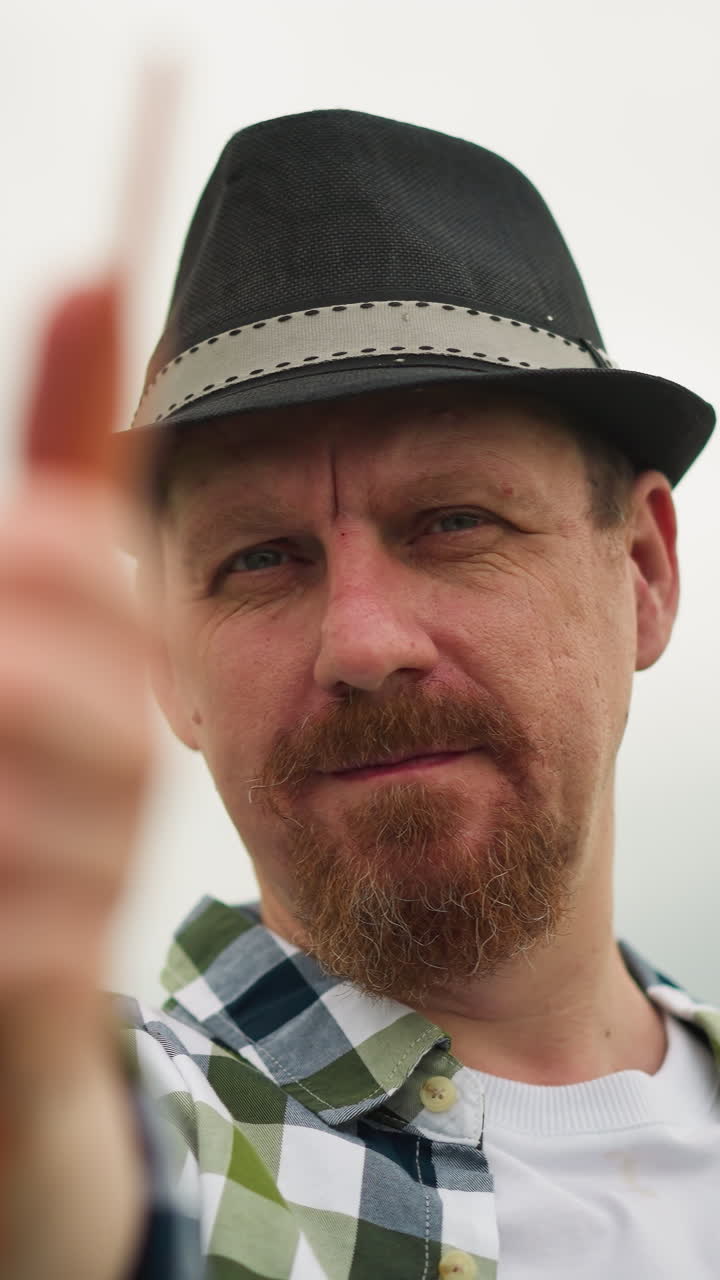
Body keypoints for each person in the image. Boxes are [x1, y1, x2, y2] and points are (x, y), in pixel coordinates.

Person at [2, 109, 717, 1278]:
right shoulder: (136, 1135)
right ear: (169, 665)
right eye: (259, 557)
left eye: (454, 520)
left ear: (640, 572)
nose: (363, 640)